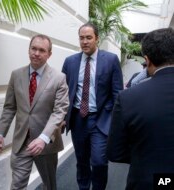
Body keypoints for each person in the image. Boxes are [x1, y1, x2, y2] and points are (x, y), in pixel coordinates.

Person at [0, 34, 69, 190]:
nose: (36, 53)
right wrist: (0, 133)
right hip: (22, 141)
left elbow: (59, 111)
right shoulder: (16, 75)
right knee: (17, 185)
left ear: (49, 54)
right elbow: (10, 107)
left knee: (49, 185)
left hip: (46, 143)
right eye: (33, 48)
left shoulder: (59, 78)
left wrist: (43, 137)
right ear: (29, 50)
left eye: (42, 50)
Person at [107, 27, 174, 190]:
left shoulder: (127, 97)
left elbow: (115, 152)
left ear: (147, 60)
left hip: (146, 181)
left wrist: (143, 154)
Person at [62, 22, 124, 190]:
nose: (85, 42)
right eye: (81, 38)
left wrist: (114, 119)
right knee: (81, 160)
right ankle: (83, 187)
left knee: (98, 161)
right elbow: (63, 92)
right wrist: (62, 117)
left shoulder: (111, 60)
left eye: (89, 38)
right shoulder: (70, 62)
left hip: (101, 119)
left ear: (97, 38)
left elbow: (117, 92)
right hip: (78, 119)